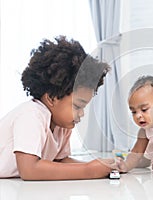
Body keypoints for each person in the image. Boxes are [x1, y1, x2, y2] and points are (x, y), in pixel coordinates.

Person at [0, 36, 113, 180]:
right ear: (52, 98)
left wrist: (100, 168)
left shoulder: (62, 125)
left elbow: (59, 162)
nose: (81, 113)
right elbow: (29, 170)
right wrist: (89, 170)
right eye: (77, 106)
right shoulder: (31, 115)